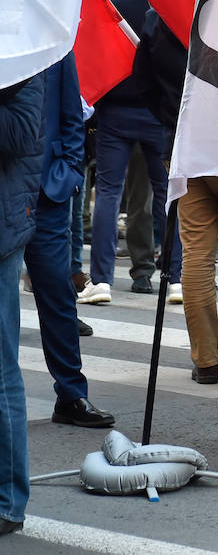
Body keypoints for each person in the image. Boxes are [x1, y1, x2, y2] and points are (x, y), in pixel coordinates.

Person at [24, 54, 116, 430]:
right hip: (8, 187)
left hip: (47, 192)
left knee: (58, 295)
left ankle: (71, 394)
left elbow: (71, 113)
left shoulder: (54, 43)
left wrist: (68, 171)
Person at [80, 0, 176, 306]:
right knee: (164, 194)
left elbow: (95, 58)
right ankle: (174, 277)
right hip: (154, 113)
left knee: (108, 192)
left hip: (115, 113)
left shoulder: (114, 8)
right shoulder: (165, 11)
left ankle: (102, 279)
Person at [0, 75, 43, 535]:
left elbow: (19, 131)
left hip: (4, 226)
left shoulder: (20, 51)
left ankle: (8, 502)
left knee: (1, 369)